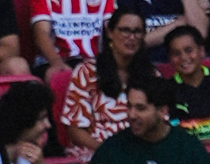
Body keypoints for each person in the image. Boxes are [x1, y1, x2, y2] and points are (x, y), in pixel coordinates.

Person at [60, 6, 147, 151]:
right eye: (125, 30)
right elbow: (75, 131)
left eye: (137, 31)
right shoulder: (86, 72)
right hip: (96, 152)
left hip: (140, 153)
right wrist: (107, 153)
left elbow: (160, 124)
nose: (132, 37)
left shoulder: (151, 75)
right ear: (110, 32)